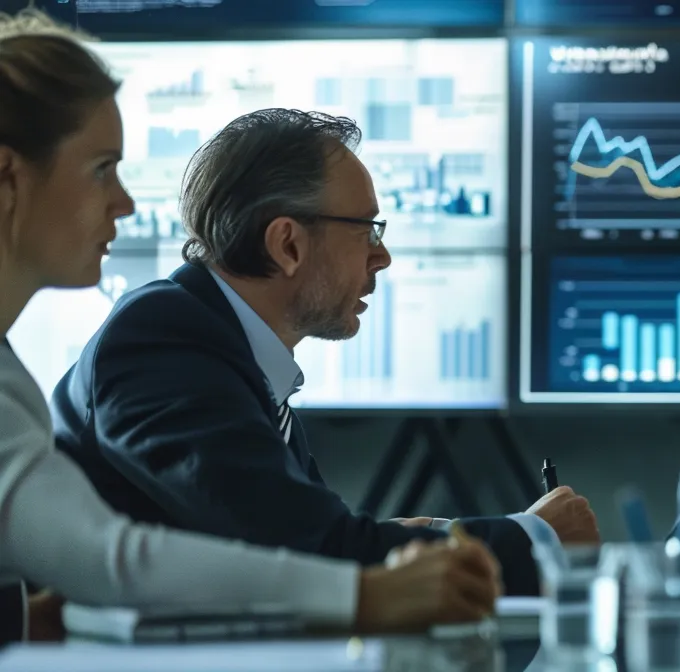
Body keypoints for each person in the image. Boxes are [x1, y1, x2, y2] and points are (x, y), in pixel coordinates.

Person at [0, 11, 497, 643]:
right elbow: (113, 559)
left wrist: (20, 618)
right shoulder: (160, 337)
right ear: (9, 175)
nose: (124, 202)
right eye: (102, 168)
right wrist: (363, 595)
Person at [49, 108, 596, 598]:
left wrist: (417, 537)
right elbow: (310, 557)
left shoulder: (229, 352)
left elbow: (303, 540)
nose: (381, 257)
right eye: (367, 230)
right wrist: (536, 537)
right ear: (287, 244)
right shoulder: (161, 343)